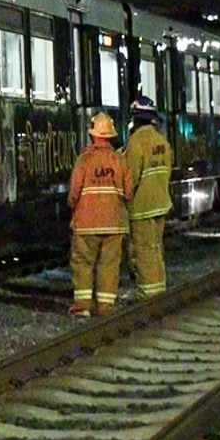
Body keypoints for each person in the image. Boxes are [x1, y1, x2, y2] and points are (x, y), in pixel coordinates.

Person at [68, 112, 134, 317]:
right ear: (111, 136)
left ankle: (83, 307)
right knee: (109, 265)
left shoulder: (84, 160)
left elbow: (74, 193)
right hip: (114, 223)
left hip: (87, 223)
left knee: (83, 263)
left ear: (93, 135)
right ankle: (105, 307)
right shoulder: (119, 160)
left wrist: (74, 209)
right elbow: (129, 192)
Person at [123, 96, 173, 300]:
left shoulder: (136, 143)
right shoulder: (162, 141)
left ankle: (148, 293)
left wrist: (124, 202)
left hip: (142, 206)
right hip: (161, 203)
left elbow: (131, 178)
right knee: (156, 247)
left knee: (143, 250)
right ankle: (159, 287)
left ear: (135, 119)